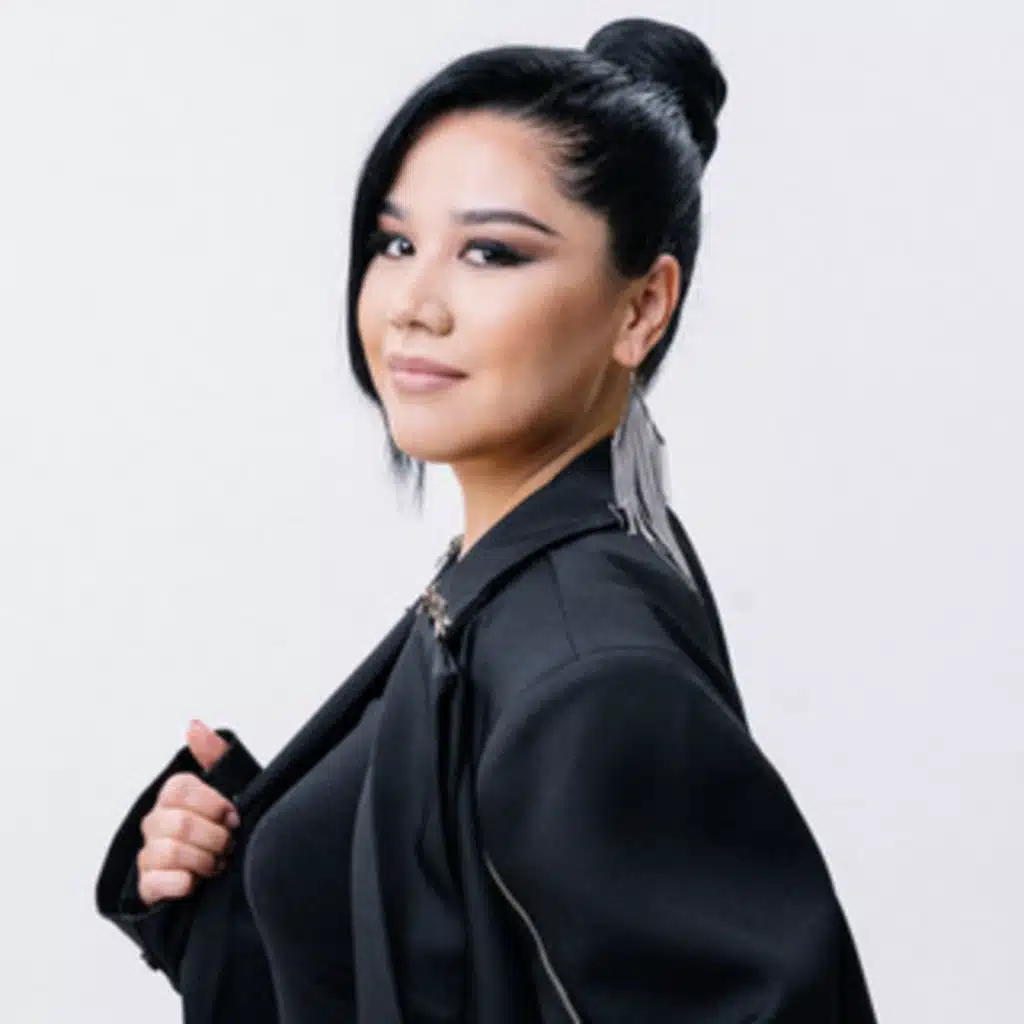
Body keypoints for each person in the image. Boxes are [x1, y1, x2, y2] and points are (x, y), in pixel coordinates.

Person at [95, 17, 879, 1023]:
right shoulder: (515, 570)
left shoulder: (588, 677)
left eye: (491, 252)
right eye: (396, 242)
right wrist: (268, 859)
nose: (413, 304)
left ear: (642, 308)